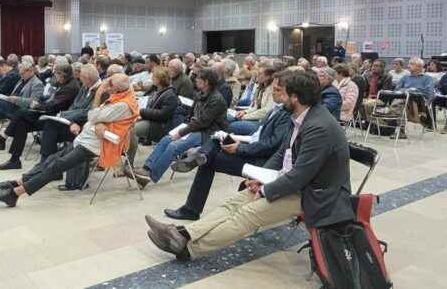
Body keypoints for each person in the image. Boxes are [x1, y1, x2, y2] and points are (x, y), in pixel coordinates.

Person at [144, 70, 354, 260]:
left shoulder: (319, 127)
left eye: (283, 94)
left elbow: (301, 175)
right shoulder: (301, 116)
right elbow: (283, 153)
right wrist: (260, 178)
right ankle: (183, 234)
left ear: (295, 97)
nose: (279, 99)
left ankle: (187, 249)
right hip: (295, 185)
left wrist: (266, 189)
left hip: (317, 196)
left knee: (248, 214)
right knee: (236, 200)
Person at [0, 73, 138, 207]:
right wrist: (98, 121)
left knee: (57, 166)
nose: (106, 87)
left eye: (109, 85)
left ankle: (14, 195)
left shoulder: (123, 105)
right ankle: (16, 183)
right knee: (50, 159)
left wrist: (98, 96)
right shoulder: (119, 97)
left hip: (97, 144)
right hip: (87, 138)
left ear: (117, 89)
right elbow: (97, 117)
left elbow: (92, 115)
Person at [164, 70, 294, 220]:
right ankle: (201, 157)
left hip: (262, 162)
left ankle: (192, 205)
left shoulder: (285, 113)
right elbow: (258, 137)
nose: (273, 93)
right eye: (273, 88)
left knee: (210, 159)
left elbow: (271, 146)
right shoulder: (278, 109)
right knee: (217, 138)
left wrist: (239, 147)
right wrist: (237, 139)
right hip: (254, 147)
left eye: (277, 90)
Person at [133, 69, 228, 187]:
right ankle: (147, 168)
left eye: (199, 78)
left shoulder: (216, 99)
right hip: (195, 128)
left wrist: (181, 132)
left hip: (209, 132)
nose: (196, 80)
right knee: (166, 139)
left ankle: (150, 176)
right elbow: (191, 116)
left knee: (174, 146)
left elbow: (202, 122)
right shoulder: (201, 94)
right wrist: (181, 127)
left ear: (206, 82)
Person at [0, 63, 79, 170]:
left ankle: (2, 139)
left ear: (63, 74)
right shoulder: (64, 82)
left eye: (56, 75)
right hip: (50, 113)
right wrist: (41, 101)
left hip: (57, 118)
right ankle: (14, 160)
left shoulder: (70, 86)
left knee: (21, 113)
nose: (55, 78)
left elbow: (53, 105)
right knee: (21, 124)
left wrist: (37, 105)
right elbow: (51, 97)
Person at [132, 66, 178, 154]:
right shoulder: (159, 91)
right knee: (128, 127)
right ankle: (126, 156)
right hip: (152, 121)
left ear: (160, 80)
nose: (152, 78)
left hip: (160, 127)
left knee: (131, 131)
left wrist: (142, 111)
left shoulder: (170, 95)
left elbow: (162, 115)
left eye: (154, 77)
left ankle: (127, 159)